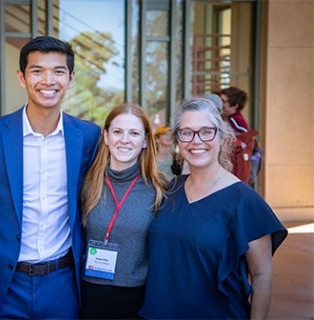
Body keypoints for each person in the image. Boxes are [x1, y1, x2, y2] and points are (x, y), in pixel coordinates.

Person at [0, 36, 101, 319]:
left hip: (63, 282)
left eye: (58, 71)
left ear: (71, 78)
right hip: (5, 282)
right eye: (37, 71)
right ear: (22, 77)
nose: (48, 80)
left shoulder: (89, 137)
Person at [139, 97, 287, 319]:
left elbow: (261, 274)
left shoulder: (244, 201)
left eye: (206, 131)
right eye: (186, 132)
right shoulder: (171, 190)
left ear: (222, 137)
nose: (196, 140)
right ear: (178, 140)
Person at [80, 103, 166, 319]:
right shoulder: (86, 183)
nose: (125, 140)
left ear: (146, 141)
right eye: (117, 132)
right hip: (89, 295)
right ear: (106, 137)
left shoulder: (160, 190)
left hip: (137, 300)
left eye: (134, 133)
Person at [220, 86, 258, 183]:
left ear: (235, 105)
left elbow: (244, 141)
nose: (221, 104)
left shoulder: (236, 121)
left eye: (224, 102)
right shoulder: (230, 118)